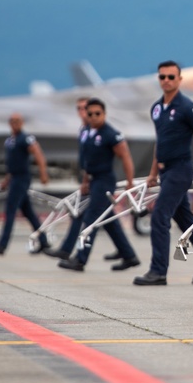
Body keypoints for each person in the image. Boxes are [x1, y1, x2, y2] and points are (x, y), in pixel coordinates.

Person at [132, 62, 193, 287]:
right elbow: (161, 142)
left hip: (180, 169)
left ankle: (158, 271)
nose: (166, 80)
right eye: (163, 77)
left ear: (179, 80)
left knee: (159, 217)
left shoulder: (187, 106)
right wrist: (153, 172)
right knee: (185, 219)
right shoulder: (157, 108)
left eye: (171, 77)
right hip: (166, 170)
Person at [58, 98, 141, 272]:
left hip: (104, 181)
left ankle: (80, 259)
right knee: (107, 220)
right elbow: (89, 161)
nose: (94, 117)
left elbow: (125, 157)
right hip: (93, 180)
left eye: (98, 114)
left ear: (104, 114)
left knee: (91, 219)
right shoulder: (88, 132)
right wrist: (85, 181)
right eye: (90, 114)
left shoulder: (110, 134)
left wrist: (130, 182)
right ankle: (129, 256)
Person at [0, 113, 50, 255]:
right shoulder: (10, 141)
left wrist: (43, 173)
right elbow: (12, 164)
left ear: (22, 123)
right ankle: (44, 241)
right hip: (14, 178)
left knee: (10, 210)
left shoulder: (25, 139)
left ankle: (2, 244)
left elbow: (38, 153)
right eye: (12, 121)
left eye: (17, 121)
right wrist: (6, 181)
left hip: (22, 179)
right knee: (29, 213)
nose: (15, 123)